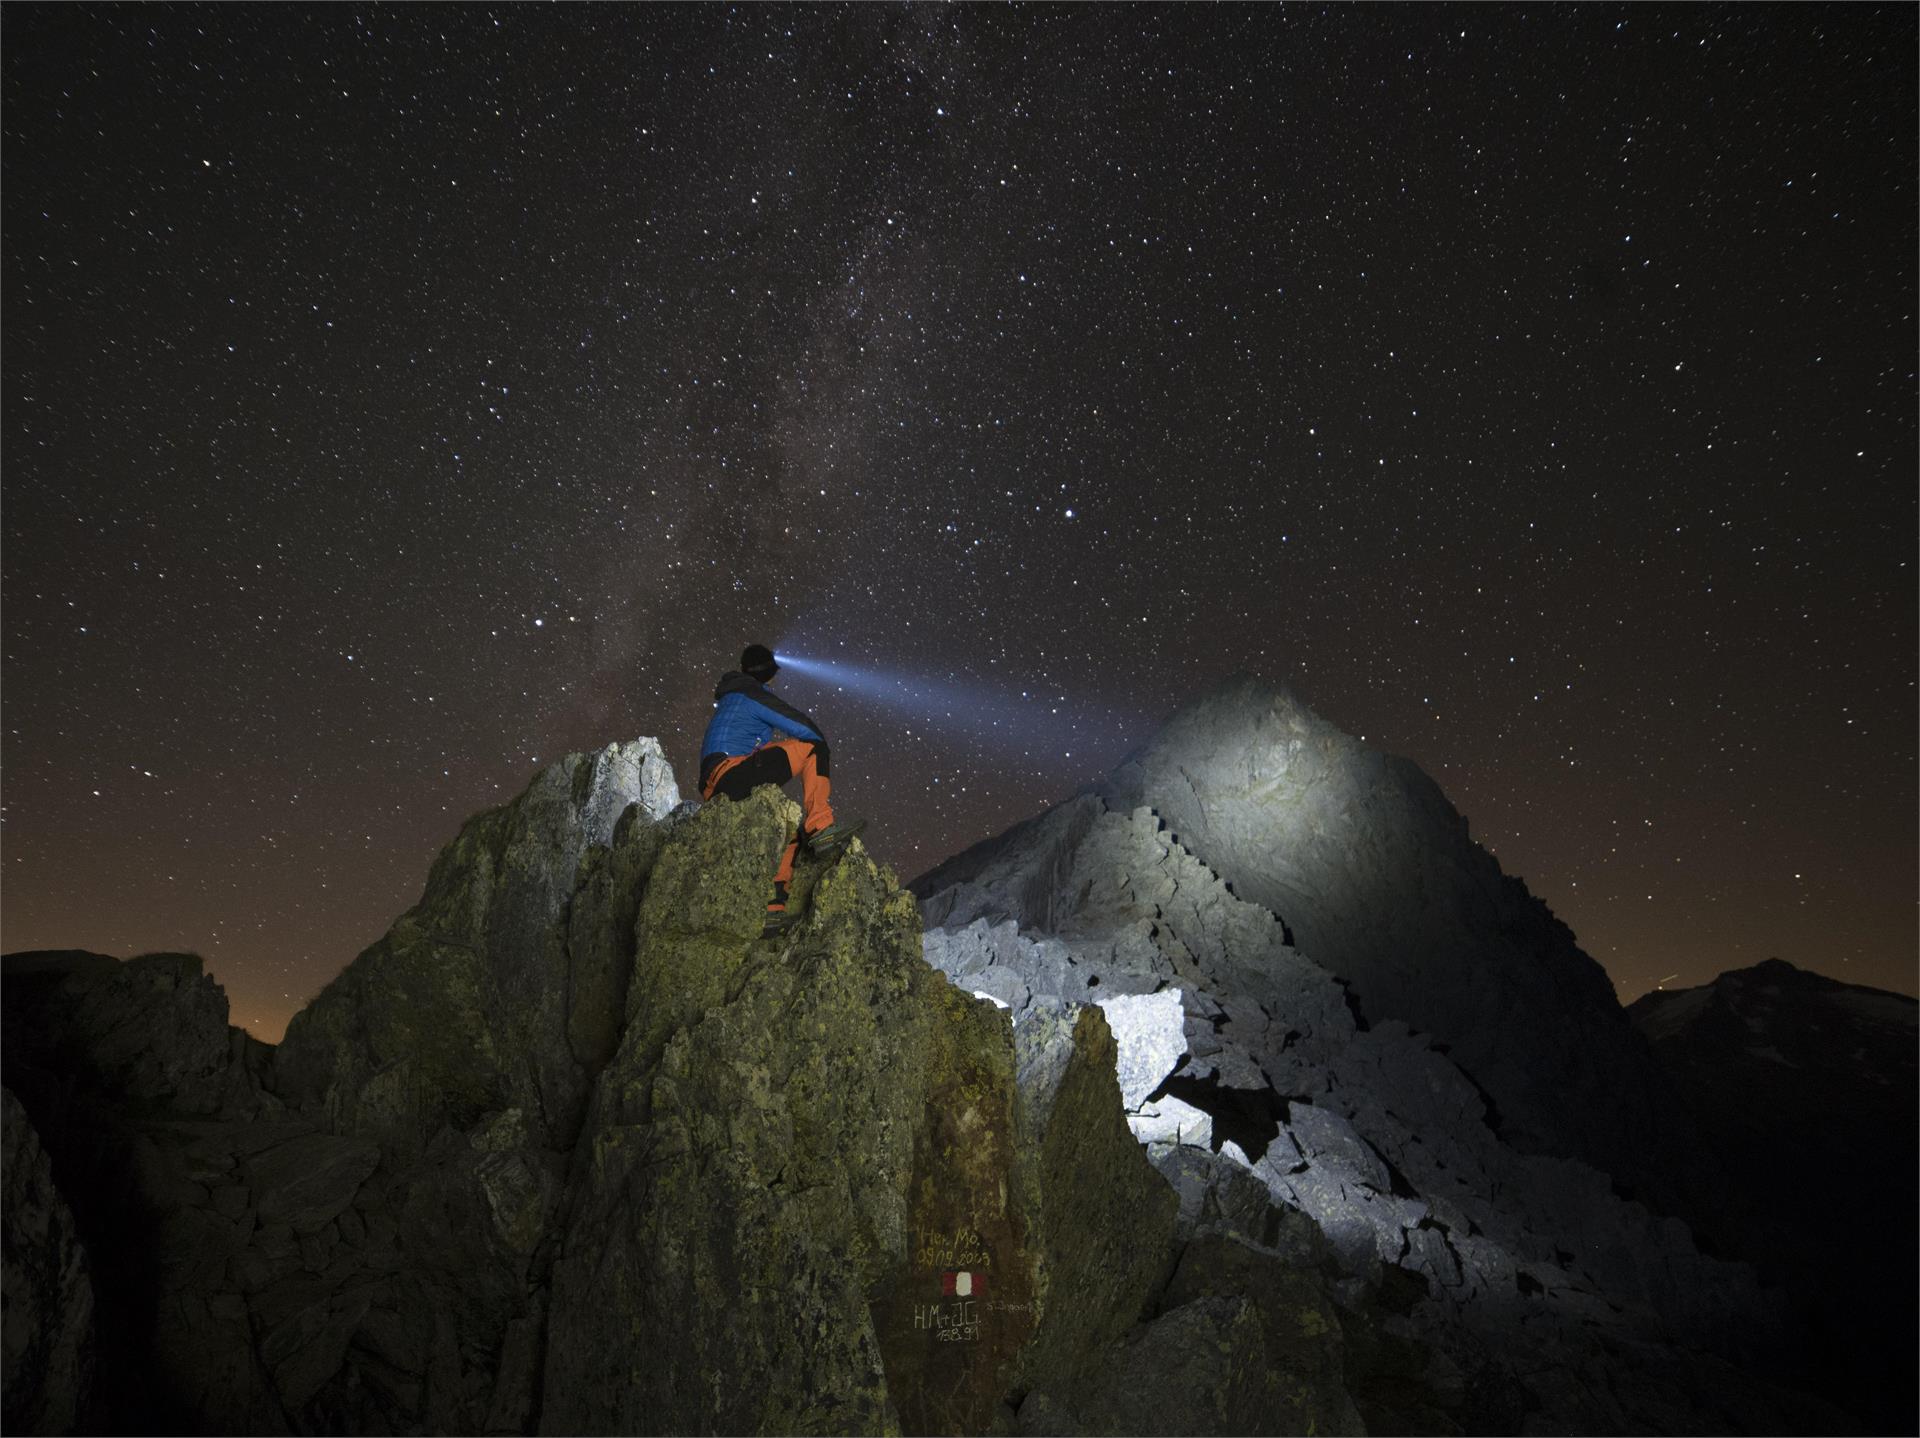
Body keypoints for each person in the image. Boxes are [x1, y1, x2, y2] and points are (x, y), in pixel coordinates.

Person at [698, 644, 863, 931]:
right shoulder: (752, 695)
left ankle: (771, 909)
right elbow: (801, 726)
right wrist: (820, 741)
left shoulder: (730, 699)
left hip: (716, 784)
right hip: (732, 773)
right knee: (813, 747)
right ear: (768, 672)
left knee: (783, 823)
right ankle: (820, 827)